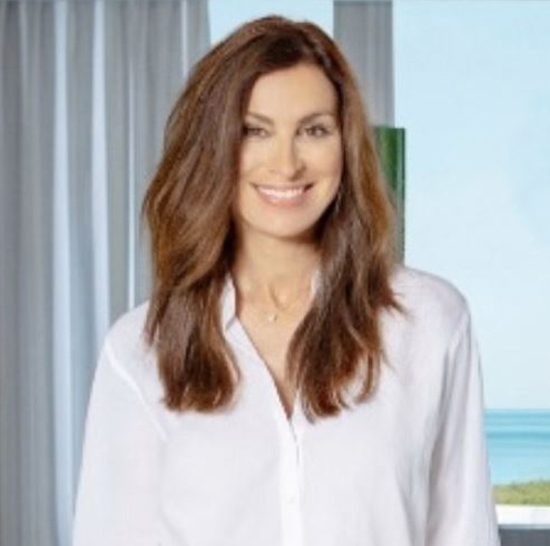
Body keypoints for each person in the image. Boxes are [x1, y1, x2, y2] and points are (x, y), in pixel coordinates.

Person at [72, 15, 501, 546]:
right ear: (213, 146)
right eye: (255, 130)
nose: (286, 163)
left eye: (314, 130)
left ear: (345, 145)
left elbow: (463, 532)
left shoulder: (430, 322)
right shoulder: (140, 350)